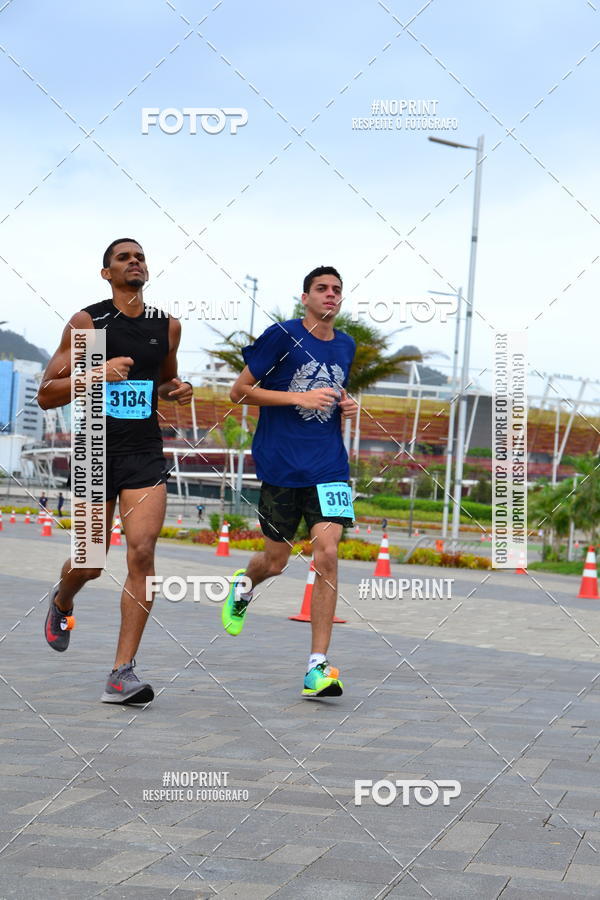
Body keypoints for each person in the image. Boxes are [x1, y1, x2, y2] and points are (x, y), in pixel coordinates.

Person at [37, 238, 192, 704]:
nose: (134, 262)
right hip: (94, 450)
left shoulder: (166, 326)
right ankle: (63, 599)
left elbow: (163, 379)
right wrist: (95, 374)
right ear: (107, 273)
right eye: (123, 258)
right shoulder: (89, 323)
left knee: (142, 554)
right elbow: (47, 392)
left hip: (144, 451)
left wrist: (175, 390)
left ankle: (121, 673)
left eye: (140, 256)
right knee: (90, 561)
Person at [222, 266, 357, 698]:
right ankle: (244, 585)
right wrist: (297, 396)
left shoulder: (346, 345)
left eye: (337, 289)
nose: (331, 295)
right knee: (275, 561)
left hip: (330, 468)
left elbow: (331, 394)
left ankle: (317, 667)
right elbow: (238, 391)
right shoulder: (282, 335)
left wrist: (347, 404)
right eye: (322, 288)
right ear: (305, 297)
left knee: (329, 555)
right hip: (282, 466)